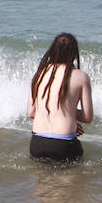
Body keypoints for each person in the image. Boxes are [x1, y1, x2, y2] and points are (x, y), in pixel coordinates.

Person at [27, 33, 94, 162]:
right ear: (74, 53)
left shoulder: (39, 74)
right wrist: (68, 114)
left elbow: (31, 112)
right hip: (64, 145)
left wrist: (61, 112)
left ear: (53, 50)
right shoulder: (81, 76)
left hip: (37, 143)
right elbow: (87, 117)